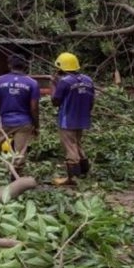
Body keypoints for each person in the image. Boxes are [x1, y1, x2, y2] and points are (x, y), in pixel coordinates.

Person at [0, 54, 40, 176]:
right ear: (25, 66)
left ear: (9, 65)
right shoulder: (32, 83)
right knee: (20, 152)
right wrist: (36, 125)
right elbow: (34, 108)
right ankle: (15, 175)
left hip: (4, 122)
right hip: (24, 122)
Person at [51, 52, 95, 186]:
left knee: (70, 147)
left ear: (61, 67)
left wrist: (53, 85)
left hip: (67, 119)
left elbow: (55, 102)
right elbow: (92, 101)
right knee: (77, 143)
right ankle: (84, 171)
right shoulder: (88, 80)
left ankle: (72, 178)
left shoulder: (64, 82)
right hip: (82, 118)